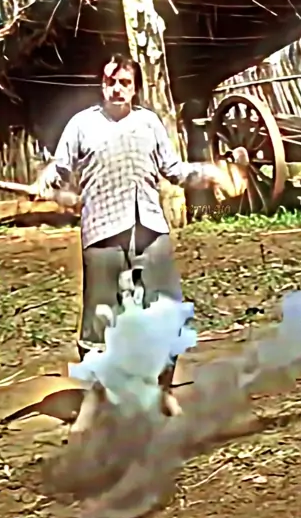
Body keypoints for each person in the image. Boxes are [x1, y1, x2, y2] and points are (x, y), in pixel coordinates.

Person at [33, 53, 227, 402]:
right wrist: (46, 180)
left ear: (135, 88)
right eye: (110, 81)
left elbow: (174, 170)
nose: (117, 88)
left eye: (125, 82)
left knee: (168, 313)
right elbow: (59, 168)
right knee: (100, 321)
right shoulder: (82, 125)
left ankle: (162, 393)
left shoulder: (149, 123)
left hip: (149, 228)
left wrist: (208, 173)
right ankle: (102, 401)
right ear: (101, 85)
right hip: (102, 231)